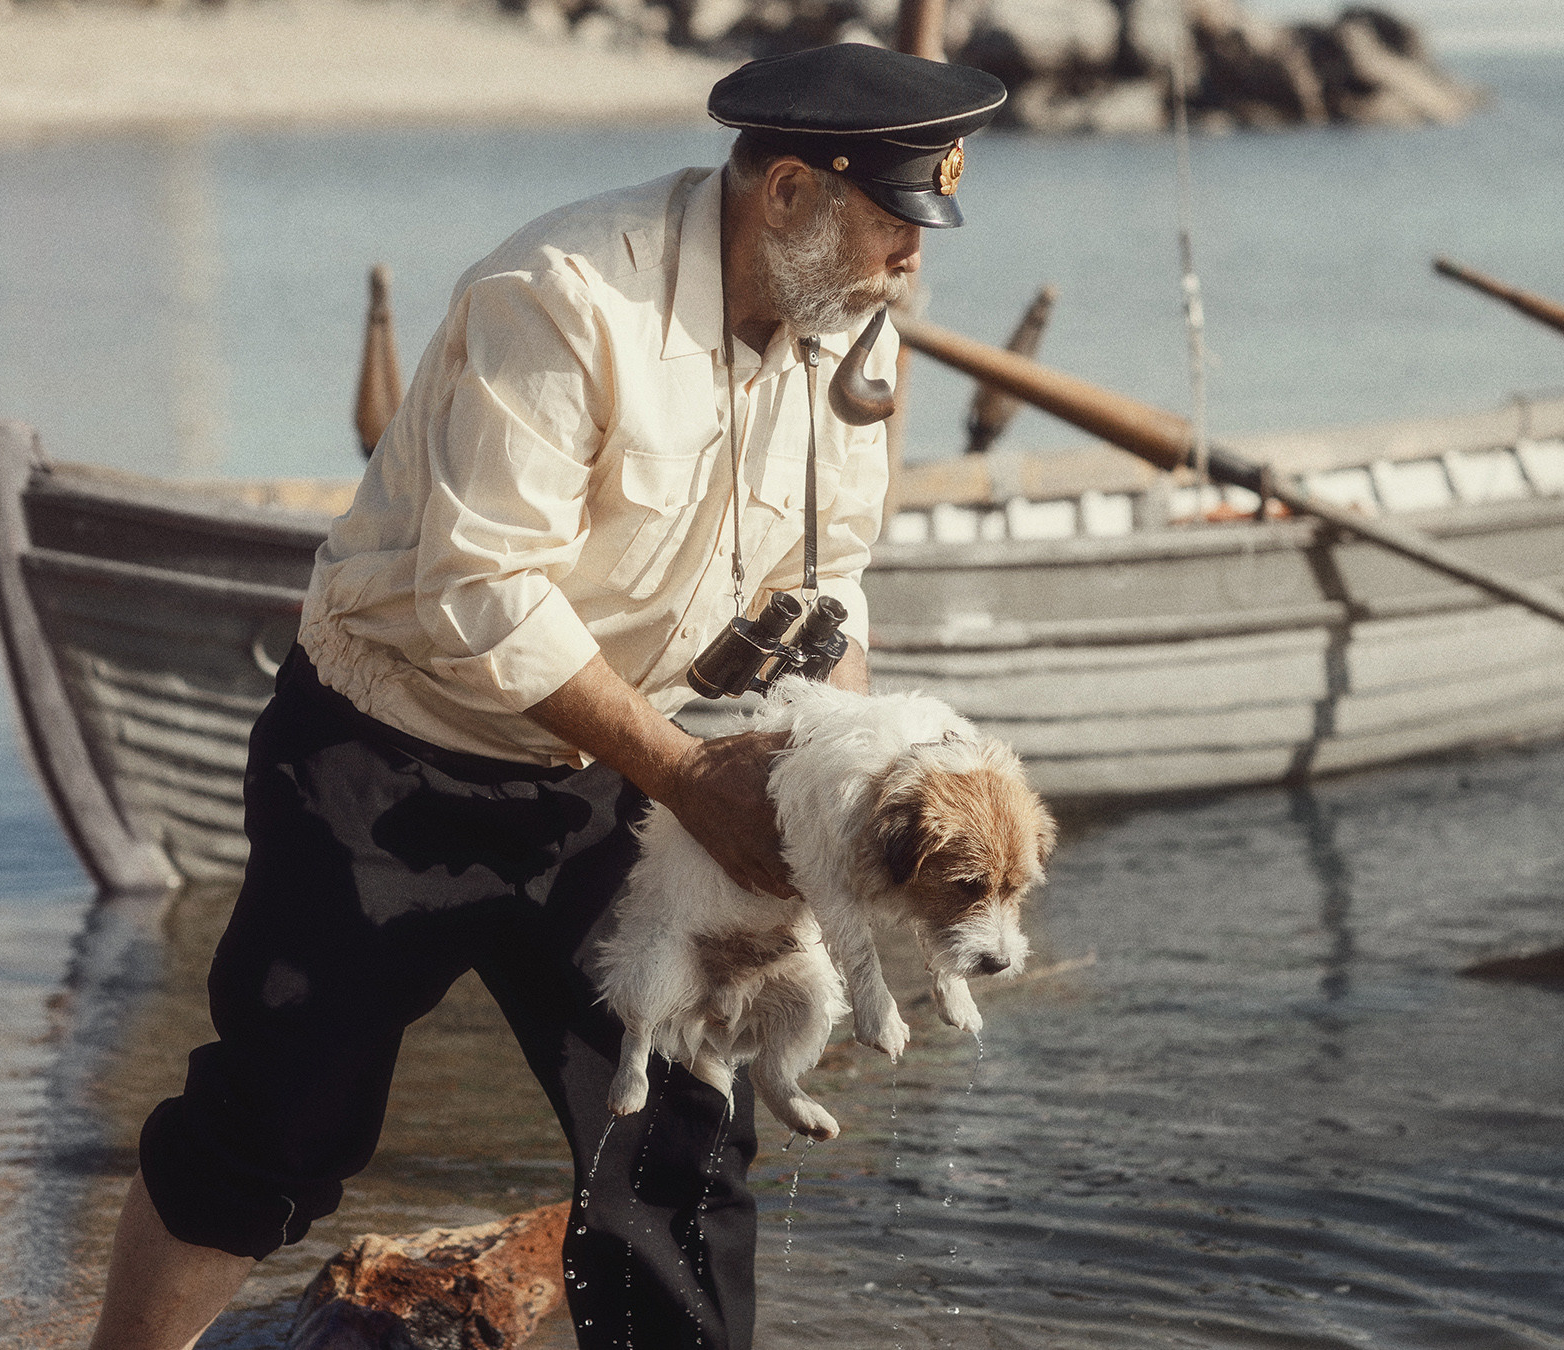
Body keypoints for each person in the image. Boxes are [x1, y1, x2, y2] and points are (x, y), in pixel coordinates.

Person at [83, 42, 1007, 1350]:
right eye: (895, 221)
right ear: (789, 190)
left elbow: (830, 577)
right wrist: (690, 779)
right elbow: (484, 594)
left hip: (620, 773)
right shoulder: (563, 297)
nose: (916, 259)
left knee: (682, 1140)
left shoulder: (850, 322)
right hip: (389, 755)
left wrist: (839, 780)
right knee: (279, 1121)